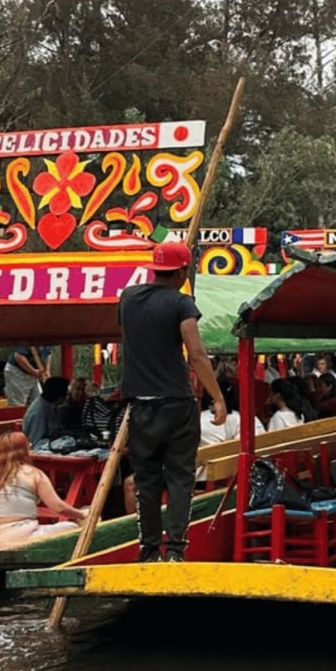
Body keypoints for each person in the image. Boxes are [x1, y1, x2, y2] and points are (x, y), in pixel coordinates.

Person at [118, 240, 226, 564]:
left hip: (140, 403)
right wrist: (218, 398)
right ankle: (176, 550)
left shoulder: (127, 299)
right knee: (180, 477)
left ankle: (149, 550)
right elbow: (196, 354)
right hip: (176, 402)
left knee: (147, 480)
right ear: (182, 270)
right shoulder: (182, 304)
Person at [0, 431, 85, 549]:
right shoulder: (33, 473)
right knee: (71, 527)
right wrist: (82, 514)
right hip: (21, 537)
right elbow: (59, 507)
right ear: (24, 450)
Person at [22, 375, 70, 446]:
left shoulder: (52, 405)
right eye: (67, 394)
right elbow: (36, 443)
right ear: (60, 397)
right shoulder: (39, 413)